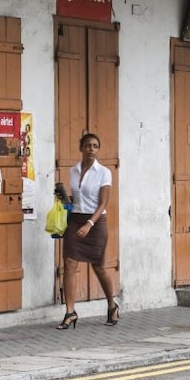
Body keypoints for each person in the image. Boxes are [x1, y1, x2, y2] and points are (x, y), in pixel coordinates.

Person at [55, 132, 119, 329]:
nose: (92, 149)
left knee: (98, 266)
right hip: (75, 218)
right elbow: (77, 199)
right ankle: (70, 312)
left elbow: (103, 203)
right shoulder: (73, 171)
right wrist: (63, 198)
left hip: (96, 222)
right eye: (88, 145)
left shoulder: (104, 172)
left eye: (95, 146)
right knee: (69, 263)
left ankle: (111, 305)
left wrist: (89, 223)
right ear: (81, 148)